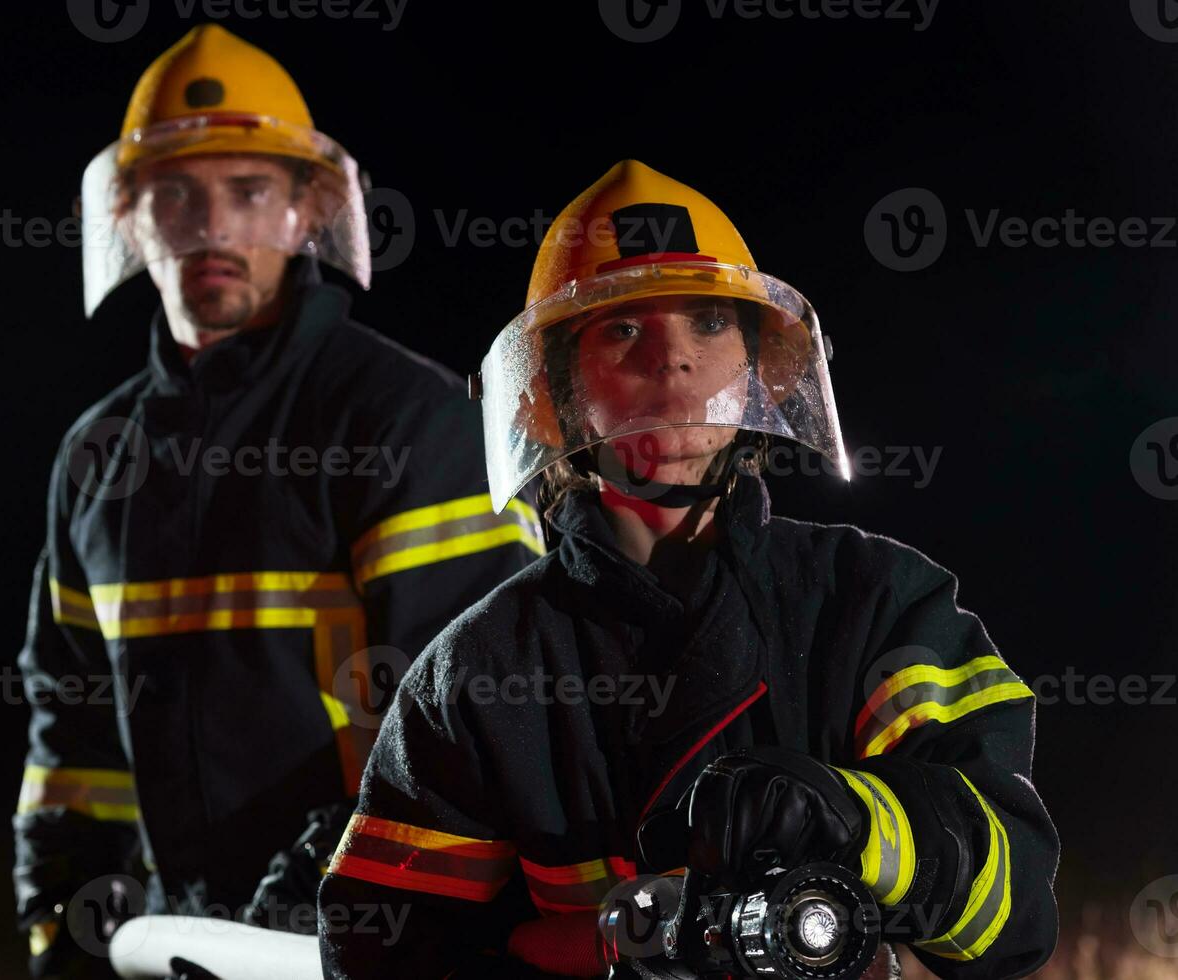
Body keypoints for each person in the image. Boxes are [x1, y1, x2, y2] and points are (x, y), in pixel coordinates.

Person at [318, 161, 1058, 979]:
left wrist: (855, 817)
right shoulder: (476, 674)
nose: (672, 361)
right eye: (623, 329)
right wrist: (609, 948)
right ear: (553, 392)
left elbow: (1014, 912)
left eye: (708, 321)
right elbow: (380, 954)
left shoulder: (879, 603)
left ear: (756, 364)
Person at [12, 25, 544, 978]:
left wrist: (330, 902)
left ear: (305, 213)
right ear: (131, 219)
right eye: (176, 194)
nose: (212, 227)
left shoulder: (408, 421)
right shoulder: (96, 460)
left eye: (248, 192)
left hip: (375, 937)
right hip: (180, 944)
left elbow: (474, 719)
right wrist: (66, 916)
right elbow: (74, 729)